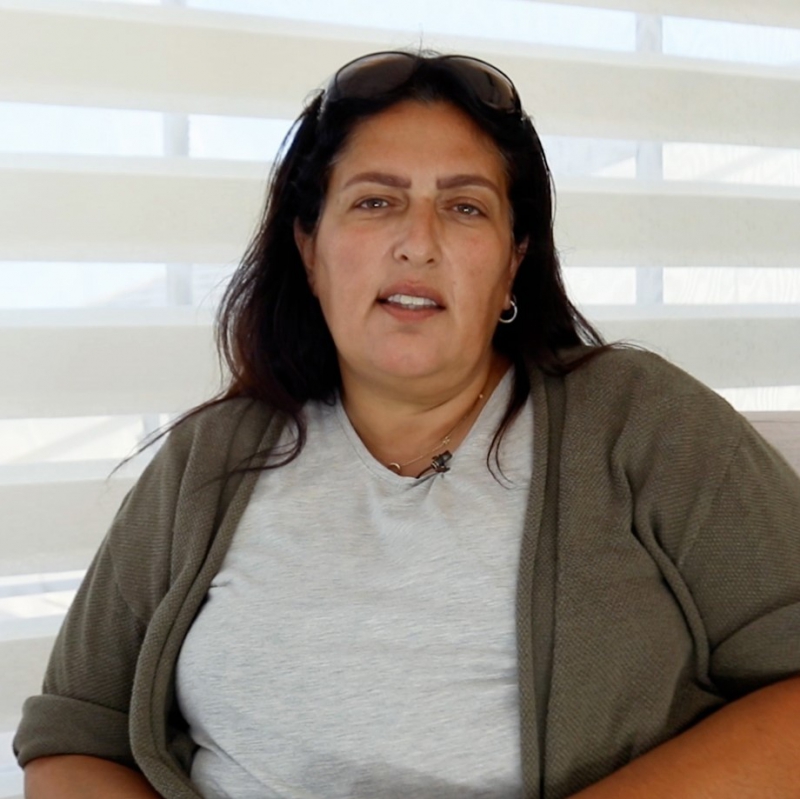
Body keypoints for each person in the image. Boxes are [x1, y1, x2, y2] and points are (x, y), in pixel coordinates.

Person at [14, 50, 800, 799]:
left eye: (465, 207)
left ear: (512, 261)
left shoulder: (643, 421)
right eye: (375, 201)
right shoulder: (210, 458)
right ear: (310, 249)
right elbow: (73, 737)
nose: (419, 242)